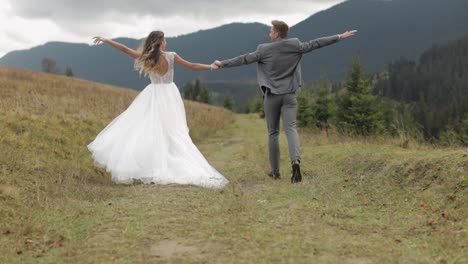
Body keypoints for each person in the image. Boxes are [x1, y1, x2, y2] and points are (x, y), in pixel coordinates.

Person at [214, 20, 357, 183]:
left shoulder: (263, 49)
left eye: (270, 31)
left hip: (272, 96)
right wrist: (339, 36)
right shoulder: (295, 45)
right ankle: (295, 164)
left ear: (276, 33)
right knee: (291, 128)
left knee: (273, 133)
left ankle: (275, 172)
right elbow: (317, 43)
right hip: (289, 95)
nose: (269, 34)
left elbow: (244, 59)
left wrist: (222, 64)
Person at [87, 31, 229, 188]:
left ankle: (155, 167)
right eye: (165, 39)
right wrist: (210, 66)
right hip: (170, 96)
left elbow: (125, 49)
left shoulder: (147, 57)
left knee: (151, 130)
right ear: (161, 42)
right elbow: (192, 66)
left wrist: (107, 40)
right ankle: (166, 164)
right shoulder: (171, 56)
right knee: (173, 131)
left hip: (153, 95)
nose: (166, 42)